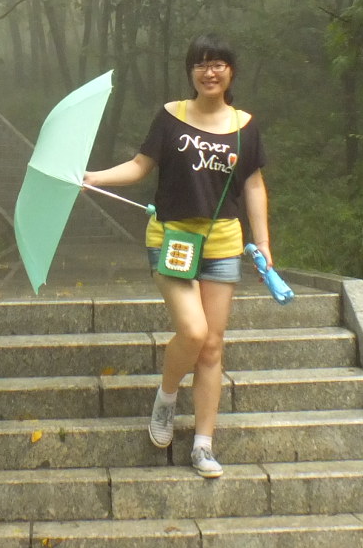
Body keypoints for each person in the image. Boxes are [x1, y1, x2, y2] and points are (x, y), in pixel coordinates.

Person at [82, 34, 270, 479]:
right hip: (171, 238)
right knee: (194, 330)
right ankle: (167, 397)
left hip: (223, 241)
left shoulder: (246, 125)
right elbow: (140, 165)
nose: (210, 71)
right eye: (201, 64)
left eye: (218, 64)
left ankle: (203, 444)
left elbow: (253, 185)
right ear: (191, 71)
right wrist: (95, 177)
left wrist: (263, 242)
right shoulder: (170, 117)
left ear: (231, 72)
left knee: (212, 347)